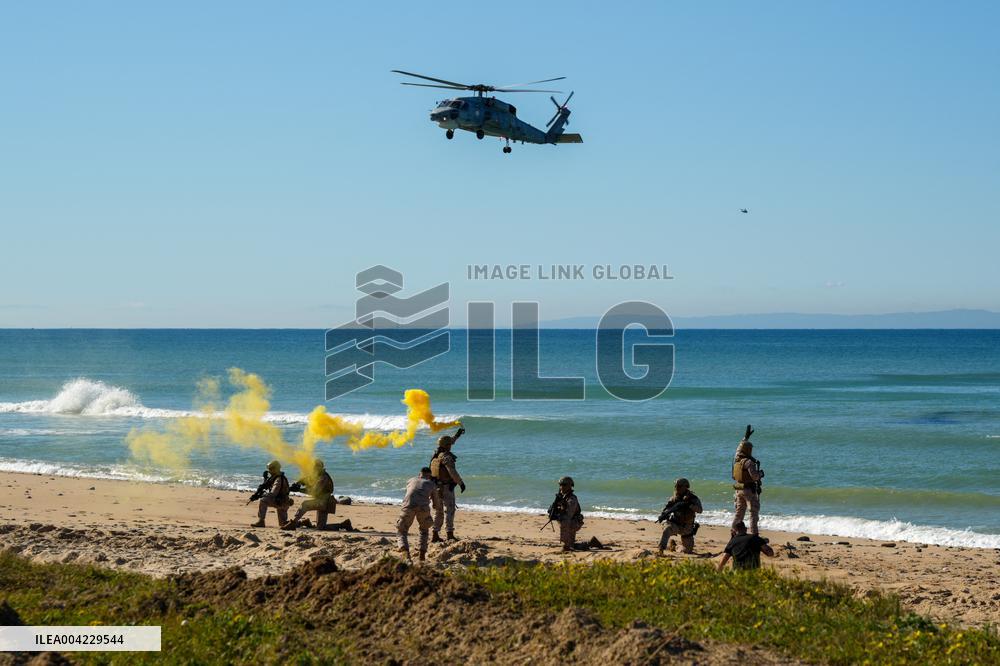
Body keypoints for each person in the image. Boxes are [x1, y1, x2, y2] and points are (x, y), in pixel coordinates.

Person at [281, 459, 351, 531]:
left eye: (316, 467)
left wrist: (299, 490)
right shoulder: (317, 475)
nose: (314, 469)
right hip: (321, 501)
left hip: (324, 502)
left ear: (321, 467)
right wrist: (297, 483)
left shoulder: (323, 477)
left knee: (305, 504)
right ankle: (343, 525)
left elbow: (314, 492)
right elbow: (305, 480)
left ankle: (294, 523)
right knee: (321, 527)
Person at [430, 426, 466, 542]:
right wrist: (460, 483)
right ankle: (449, 534)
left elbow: (450, 441)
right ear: (446, 446)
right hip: (446, 487)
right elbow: (452, 471)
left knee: (438, 512)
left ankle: (435, 534)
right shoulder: (446, 457)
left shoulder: (436, 455)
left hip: (436, 488)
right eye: (450, 444)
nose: (451, 445)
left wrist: (458, 434)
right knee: (449, 510)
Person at [396, 467, 436, 562]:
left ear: (419, 474)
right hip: (423, 508)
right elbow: (436, 503)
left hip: (408, 506)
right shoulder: (431, 484)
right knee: (424, 530)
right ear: (429, 476)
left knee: (402, 530)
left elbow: (410, 492)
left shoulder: (410, 480)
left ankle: (405, 553)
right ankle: (422, 554)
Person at [656, 478, 703, 555]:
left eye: (679, 486)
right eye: (676, 486)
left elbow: (700, 510)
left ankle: (675, 547)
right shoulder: (674, 498)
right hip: (675, 524)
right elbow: (667, 508)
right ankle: (661, 550)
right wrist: (663, 515)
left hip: (687, 527)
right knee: (667, 529)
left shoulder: (693, 498)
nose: (677, 488)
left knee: (687, 551)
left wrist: (689, 505)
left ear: (686, 487)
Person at [731, 424, 764, 536]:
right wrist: (760, 474)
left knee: (739, 514)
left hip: (738, 489)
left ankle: (734, 532)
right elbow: (754, 477)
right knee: (753, 513)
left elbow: (738, 449)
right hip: (748, 490)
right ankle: (754, 535)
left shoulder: (737, 460)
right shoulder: (749, 462)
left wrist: (745, 438)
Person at [250, 460, 291, 528]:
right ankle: (300, 523)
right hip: (283, 502)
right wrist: (265, 479)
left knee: (263, 500)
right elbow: (267, 486)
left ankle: (261, 521)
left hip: (280, 502)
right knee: (283, 524)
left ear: (276, 469)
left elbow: (273, 494)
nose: (269, 471)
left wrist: (261, 495)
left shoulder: (279, 479)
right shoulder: (278, 477)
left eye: (270, 469)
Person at [549, 476, 584, 552]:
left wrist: (558, 514)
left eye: (564, 485)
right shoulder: (562, 497)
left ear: (570, 486)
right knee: (573, 544)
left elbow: (568, 515)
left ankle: (566, 545)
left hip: (575, 522)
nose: (561, 487)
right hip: (569, 521)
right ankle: (571, 544)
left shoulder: (572, 499)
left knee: (564, 520)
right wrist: (553, 511)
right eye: (560, 485)